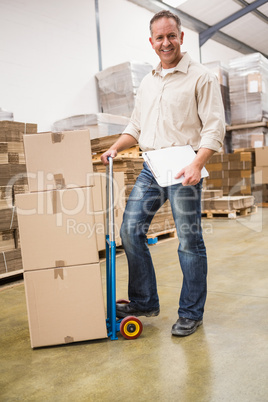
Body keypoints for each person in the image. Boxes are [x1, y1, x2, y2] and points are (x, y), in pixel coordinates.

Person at [101, 10, 225, 337]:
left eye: (172, 36)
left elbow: (215, 127)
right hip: (152, 168)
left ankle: (191, 313)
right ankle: (144, 301)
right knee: (130, 230)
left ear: (181, 37)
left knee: (189, 242)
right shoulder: (147, 81)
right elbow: (136, 126)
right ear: (152, 42)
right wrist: (115, 147)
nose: (166, 42)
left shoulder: (201, 77)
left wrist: (198, 164)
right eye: (160, 38)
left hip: (185, 168)